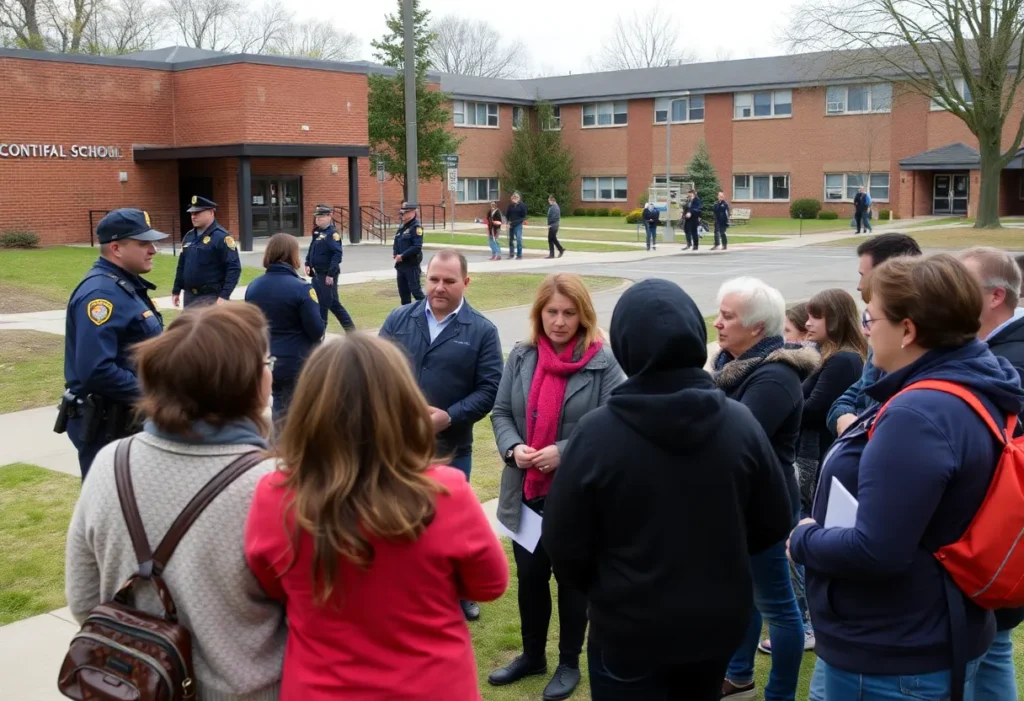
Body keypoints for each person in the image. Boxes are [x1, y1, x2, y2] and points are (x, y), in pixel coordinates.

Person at [542, 279, 794, 701]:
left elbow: (564, 543)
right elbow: (771, 523)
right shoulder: (740, 423)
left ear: (623, 343)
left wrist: (606, 586)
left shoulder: (596, 434)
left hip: (628, 625)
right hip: (712, 626)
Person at [789, 253, 1024, 700]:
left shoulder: (919, 413)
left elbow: (877, 551)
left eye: (871, 318)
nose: (865, 330)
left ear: (909, 329)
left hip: (893, 649)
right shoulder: (974, 381)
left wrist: (803, 539)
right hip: (931, 628)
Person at [245, 334, 509, 700]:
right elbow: (489, 584)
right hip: (434, 686)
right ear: (402, 401)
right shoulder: (445, 491)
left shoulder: (275, 494)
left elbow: (272, 584)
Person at [65, 303, 286, 701]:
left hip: (131, 686)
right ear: (247, 382)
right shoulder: (273, 484)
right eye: (266, 361)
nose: (271, 371)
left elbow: (83, 599)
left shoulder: (109, 462)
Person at [489, 273, 625, 700]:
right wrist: (514, 449)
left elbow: (614, 425)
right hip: (526, 490)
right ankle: (533, 656)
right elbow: (499, 413)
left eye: (569, 313)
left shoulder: (605, 363)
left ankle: (568, 663)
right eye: (552, 312)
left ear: (584, 314)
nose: (560, 322)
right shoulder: (522, 355)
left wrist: (564, 451)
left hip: (578, 496)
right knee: (530, 577)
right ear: (539, 313)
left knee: (572, 581)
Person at [378, 249, 504, 622]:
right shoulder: (400, 319)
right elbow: (376, 372)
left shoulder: (481, 330)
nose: (439, 288)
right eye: (434, 279)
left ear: (466, 282)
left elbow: (489, 389)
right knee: (396, 519)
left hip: (451, 448)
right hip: (396, 447)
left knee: (450, 527)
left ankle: (460, 591)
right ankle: (401, 586)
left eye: (449, 281)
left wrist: (449, 417)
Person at [711, 277, 818, 701]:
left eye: (728, 316)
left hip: (765, 510)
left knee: (778, 608)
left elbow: (730, 436)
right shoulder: (728, 363)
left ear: (757, 328)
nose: (717, 323)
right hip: (736, 505)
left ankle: (780, 693)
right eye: (720, 312)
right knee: (743, 598)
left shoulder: (774, 376)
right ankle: (739, 676)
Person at [959, 246, 1024, 700]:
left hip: (992, 534)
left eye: (961, 285)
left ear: (996, 296)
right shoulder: (996, 349)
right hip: (998, 538)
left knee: (975, 650)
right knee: (995, 646)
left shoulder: (1012, 358)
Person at [58, 208, 166, 479]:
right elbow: (97, 370)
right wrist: (157, 396)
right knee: (110, 511)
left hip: (128, 421)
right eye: (143, 243)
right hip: (108, 424)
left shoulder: (124, 286)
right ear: (116, 248)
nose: (153, 250)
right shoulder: (101, 295)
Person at [827, 233, 922, 436]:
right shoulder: (884, 336)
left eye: (864, 275)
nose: (859, 286)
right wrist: (845, 417)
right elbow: (848, 399)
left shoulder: (901, 344)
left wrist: (857, 428)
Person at [245, 233, 325, 426]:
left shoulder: (253, 287)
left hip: (267, 361)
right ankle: (287, 450)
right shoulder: (302, 289)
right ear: (293, 255)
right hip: (296, 362)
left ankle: (281, 446)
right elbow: (316, 330)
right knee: (295, 413)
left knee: (280, 407)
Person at [171, 195, 241, 308]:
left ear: (211, 213)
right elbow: (182, 265)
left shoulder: (221, 238)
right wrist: (176, 290)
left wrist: (224, 295)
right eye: (192, 213)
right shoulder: (189, 236)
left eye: (197, 213)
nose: (193, 216)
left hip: (210, 297)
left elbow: (234, 268)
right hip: (189, 297)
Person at [304, 203, 355, 332]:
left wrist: (331, 274)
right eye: (317, 217)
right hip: (317, 274)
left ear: (329, 216)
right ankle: (321, 331)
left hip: (326, 275)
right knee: (321, 303)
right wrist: (308, 263)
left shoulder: (332, 234)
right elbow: (312, 249)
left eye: (321, 217)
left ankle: (350, 330)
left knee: (331, 303)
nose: (318, 219)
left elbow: (337, 254)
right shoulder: (318, 232)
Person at [393, 202, 425, 305]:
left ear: (412, 212)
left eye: (405, 213)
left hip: (411, 265)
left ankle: (427, 312)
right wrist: (395, 254)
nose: (403, 215)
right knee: (404, 294)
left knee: (416, 292)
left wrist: (403, 255)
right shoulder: (403, 227)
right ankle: (406, 317)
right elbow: (396, 242)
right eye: (402, 213)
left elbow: (417, 246)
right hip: (401, 266)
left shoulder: (416, 228)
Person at [506, 191, 528, 260]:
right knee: (511, 240)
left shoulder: (522, 205)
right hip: (511, 225)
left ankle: (519, 255)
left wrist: (520, 221)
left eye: (516, 197)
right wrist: (508, 222)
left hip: (518, 225)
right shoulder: (510, 206)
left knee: (518, 239)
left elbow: (524, 215)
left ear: (519, 198)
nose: (515, 198)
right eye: (513, 197)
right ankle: (511, 253)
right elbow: (507, 215)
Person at [546, 194, 565, 259]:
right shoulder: (554, 207)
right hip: (554, 225)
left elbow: (554, 217)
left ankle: (553, 254)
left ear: (552, 200)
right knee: (553, 239)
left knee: (550, 239)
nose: (549, 202)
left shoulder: (554, 207)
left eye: (549, 201)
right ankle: (560, 249)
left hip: (553, 225)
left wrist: (549, 224)